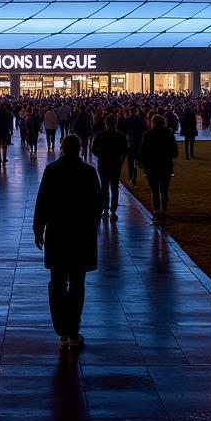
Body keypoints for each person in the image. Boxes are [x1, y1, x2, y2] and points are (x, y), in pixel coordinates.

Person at [33, 134, 102, 349]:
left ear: (62, 148)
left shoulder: (52, 170)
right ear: (79, 149)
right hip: (81, 234)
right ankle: (73, 330)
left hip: (58, 234)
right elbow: (98, 203)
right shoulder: (89, 171)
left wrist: (38, 229)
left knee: (57, 283)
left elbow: (42, 201)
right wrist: (92, 224)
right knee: (77, 284)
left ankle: (62, 331)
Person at [138, 113, 178, 225]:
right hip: (165, 165)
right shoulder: (169, 135)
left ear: (153, 122)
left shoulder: (147, 134)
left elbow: (143, 151)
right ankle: (164, 212)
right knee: (164, 190)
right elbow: (175, 153)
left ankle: (156, 212)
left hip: (151, 166)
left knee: (154, 191)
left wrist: (142, 162)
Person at [90, 115, 127, 218]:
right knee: (114, 187)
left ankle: (105, 210)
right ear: (116, 124)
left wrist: (100, 156)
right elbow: (124, 150)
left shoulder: (100, 135)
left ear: (106, 124)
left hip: (104, 162)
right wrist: (121, 160)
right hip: (115, 163)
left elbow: (93, 149)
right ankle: (113, 211)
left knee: (104, 187)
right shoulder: (121, 135)